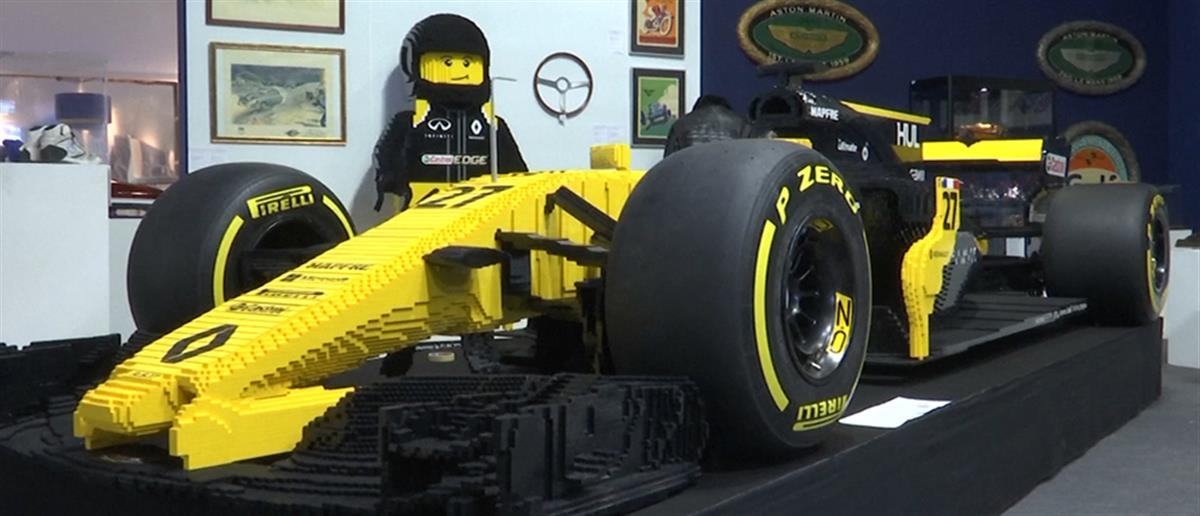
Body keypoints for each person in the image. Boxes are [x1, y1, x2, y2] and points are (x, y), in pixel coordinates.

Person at [373, 13, 527, 211]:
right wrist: (392, 180)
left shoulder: (493, 125)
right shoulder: (411, 122)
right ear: (413, 65)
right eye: (446, 63)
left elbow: (517, 172)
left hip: (484, 207)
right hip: (421, 206)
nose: (459, 71)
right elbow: (386, 156)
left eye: (467, 63)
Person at [663, 94, 753, 157]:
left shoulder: (681, 124)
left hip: (690, 177)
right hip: (731, 177)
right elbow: (750, 160)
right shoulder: (742, 124)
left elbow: (668, 166)